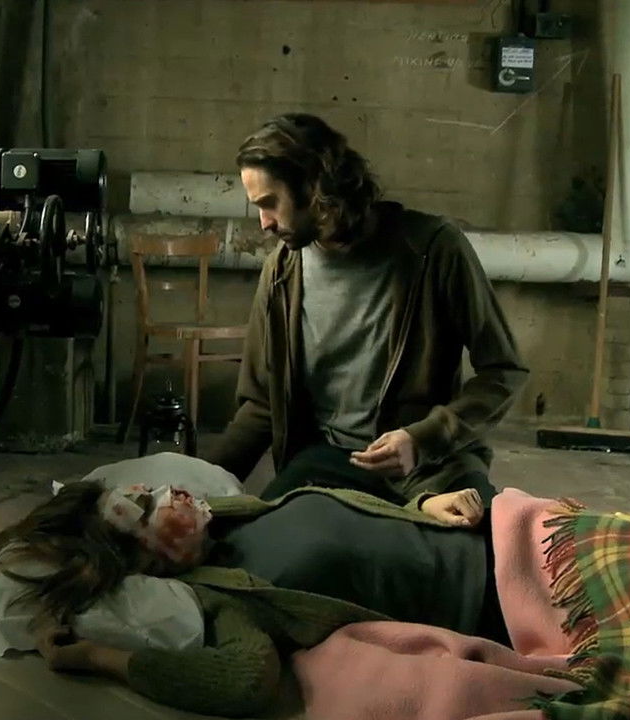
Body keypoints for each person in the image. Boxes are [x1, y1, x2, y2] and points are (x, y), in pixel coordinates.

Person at [204, 113, 529, 504]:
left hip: (428, 465)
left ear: (315, 188)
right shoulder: (280, 273)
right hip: (326, 462)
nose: (264, 223)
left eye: (270, 203)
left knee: (483, 534)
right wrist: (198, 483)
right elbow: (261, 405)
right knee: (261, 535)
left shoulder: (433, 249)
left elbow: (503, 371)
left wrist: (425, 437)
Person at [0, 480, 504, 717]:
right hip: (494, 596)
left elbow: (362, 522)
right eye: (147, 505)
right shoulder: (226, 596)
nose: (166, 490)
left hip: (494, 530)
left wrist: (422, 506)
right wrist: (96, 656)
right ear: (144, 560)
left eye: (144, 488)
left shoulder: (233, 516)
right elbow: (245, 680)